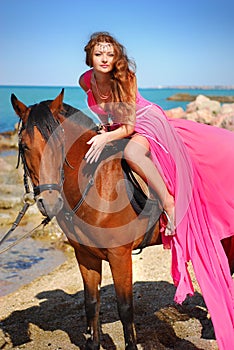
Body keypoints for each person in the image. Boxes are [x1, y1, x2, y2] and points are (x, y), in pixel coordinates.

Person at [79, 32, 234, 349]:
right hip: (116, 128)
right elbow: (107, 117)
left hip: (147, 121)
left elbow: (130, 122)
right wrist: (100, 133)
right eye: (99, 54)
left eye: (110, 53)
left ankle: (169, 204)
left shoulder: (126, 77)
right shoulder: (85, 81)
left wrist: (107, 138)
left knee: (133, 154)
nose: (105, 59)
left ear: (116, 56)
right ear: (90, 58)